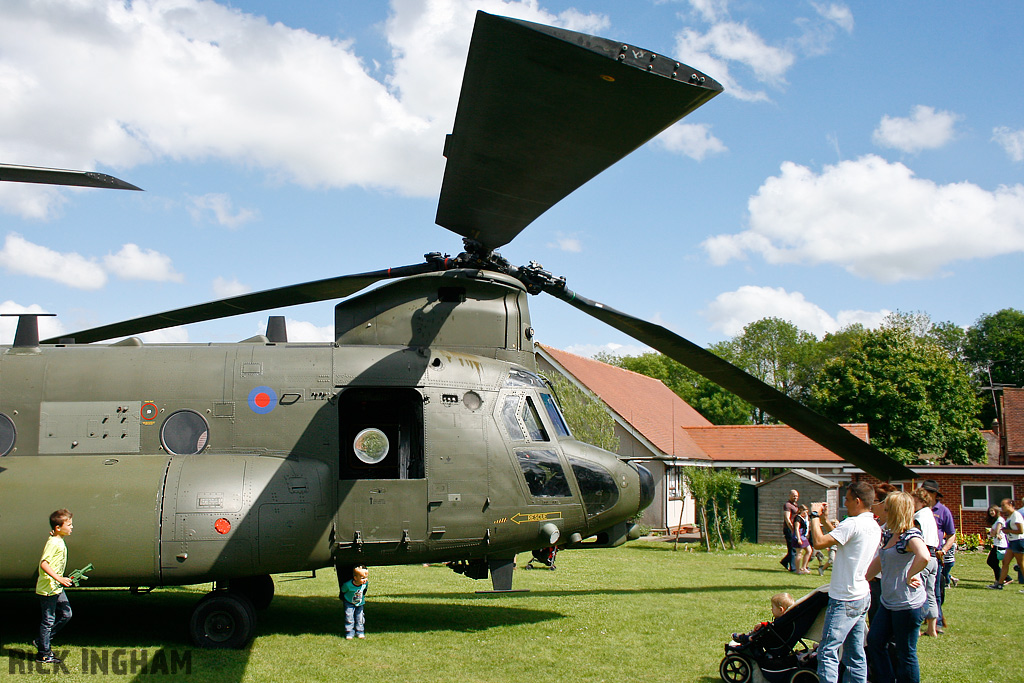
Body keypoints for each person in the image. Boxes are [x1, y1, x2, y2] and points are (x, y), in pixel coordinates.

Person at [810, 482, 881, 683]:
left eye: (847, 500)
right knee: (855, 652)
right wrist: (825, 520)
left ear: (857, 501)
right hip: (861, 595)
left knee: (827, 650)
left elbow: (819, 542)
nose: (846, 503)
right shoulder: (872, 525)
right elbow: (842, 538)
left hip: (844, 598)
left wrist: (814, 516)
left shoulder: (853, 523)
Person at [865, 492, 930, 683]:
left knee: (905, 653)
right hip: (889, 601)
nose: (883, 512)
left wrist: (910, 574)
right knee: (876, 641)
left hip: (907, 605)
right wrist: (862, 580)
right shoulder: (889, 534)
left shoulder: (910, 535)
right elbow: (880, 560)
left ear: (896, 511)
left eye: (887, 509)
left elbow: (924, 556)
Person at [35, 509, 74, 664]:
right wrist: (59, 578)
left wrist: (60, 581)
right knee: (48, 621)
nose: (72, 527)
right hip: (48, 590)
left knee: (66, 614)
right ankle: (43, 654)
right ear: (58, 527)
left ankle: (42, 641)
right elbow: (44, 564)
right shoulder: (54, 543)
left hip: (56, 587)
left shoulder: (57, 539)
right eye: (69, 525)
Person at [911, 488, 940, 637]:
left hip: (923, 555)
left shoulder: (918, 517)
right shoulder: (930, 515)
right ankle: (932, 628)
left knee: (918, 593)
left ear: (922, 501)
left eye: (914, 500)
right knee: (930, 593)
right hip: (934, 556)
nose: (912, 503)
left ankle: (916, 627)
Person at [731, 592, 795, 644]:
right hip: (778, 639)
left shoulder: (783, 622)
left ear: (781, 610)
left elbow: (774, 627)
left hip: (774, 642)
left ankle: (748, 638)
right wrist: (763, 624)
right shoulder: (786, 620)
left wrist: (764, 625)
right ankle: (748, 636)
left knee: (763, 632)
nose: (771, 609)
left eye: (773, 607)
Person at [994, 498, 1024, 591]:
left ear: (1010, 505)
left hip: (1018, 541)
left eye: (1003, 505)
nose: (1001, 507)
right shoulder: (1010, 516)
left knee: (1021, 564)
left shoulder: (1016, 515)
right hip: (1012, 542)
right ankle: (999, 584)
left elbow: (1021, 530)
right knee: (1005, 562)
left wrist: (1008, 531)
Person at [340, 565, 369, 639]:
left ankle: (360, 632)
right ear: (355, 578)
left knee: (360, 618)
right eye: (362, 578)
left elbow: (364, 590)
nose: (365, 580)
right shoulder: (348, 585)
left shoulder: (365, 584)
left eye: (366, 577)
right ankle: (349, 632)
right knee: (349, 617)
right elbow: (343, 590)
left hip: (360, 603)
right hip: (349, 602)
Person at [986, 505, 1008, 587]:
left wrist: (994, 533)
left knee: (991, 562)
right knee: (993, 562)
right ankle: (1001, 579)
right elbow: (992, 532)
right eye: (990, 511)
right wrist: (992, 533)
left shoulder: (1000, 520)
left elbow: (995, 532)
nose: (991, 512)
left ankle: (1002, 579)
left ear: (997, 511)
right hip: (996, 544)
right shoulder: (995, 520)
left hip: (1000, 544)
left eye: (993, 511)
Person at [781, 490, 800, 572]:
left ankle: (784, 561)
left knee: (794, 548)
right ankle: (793, 568)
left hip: (794, 529)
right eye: (794, 496)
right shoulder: (787, 505)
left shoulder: (795, 505)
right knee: (792, 548)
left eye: (796, 496)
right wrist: (792, 529)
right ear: (789, 495)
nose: (795, 497)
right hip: (789, 529)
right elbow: (787, 518)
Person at [794, 505, 812, 574]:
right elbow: (796, 529)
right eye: (805, 512)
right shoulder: (797, 518)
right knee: (799, 553)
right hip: (799, 537)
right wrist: (798, 539)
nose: (806, 514)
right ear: (801, 510)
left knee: (809, 550)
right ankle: (797, 570)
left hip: (803, 537)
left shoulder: (804, 518)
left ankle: (804, 567)